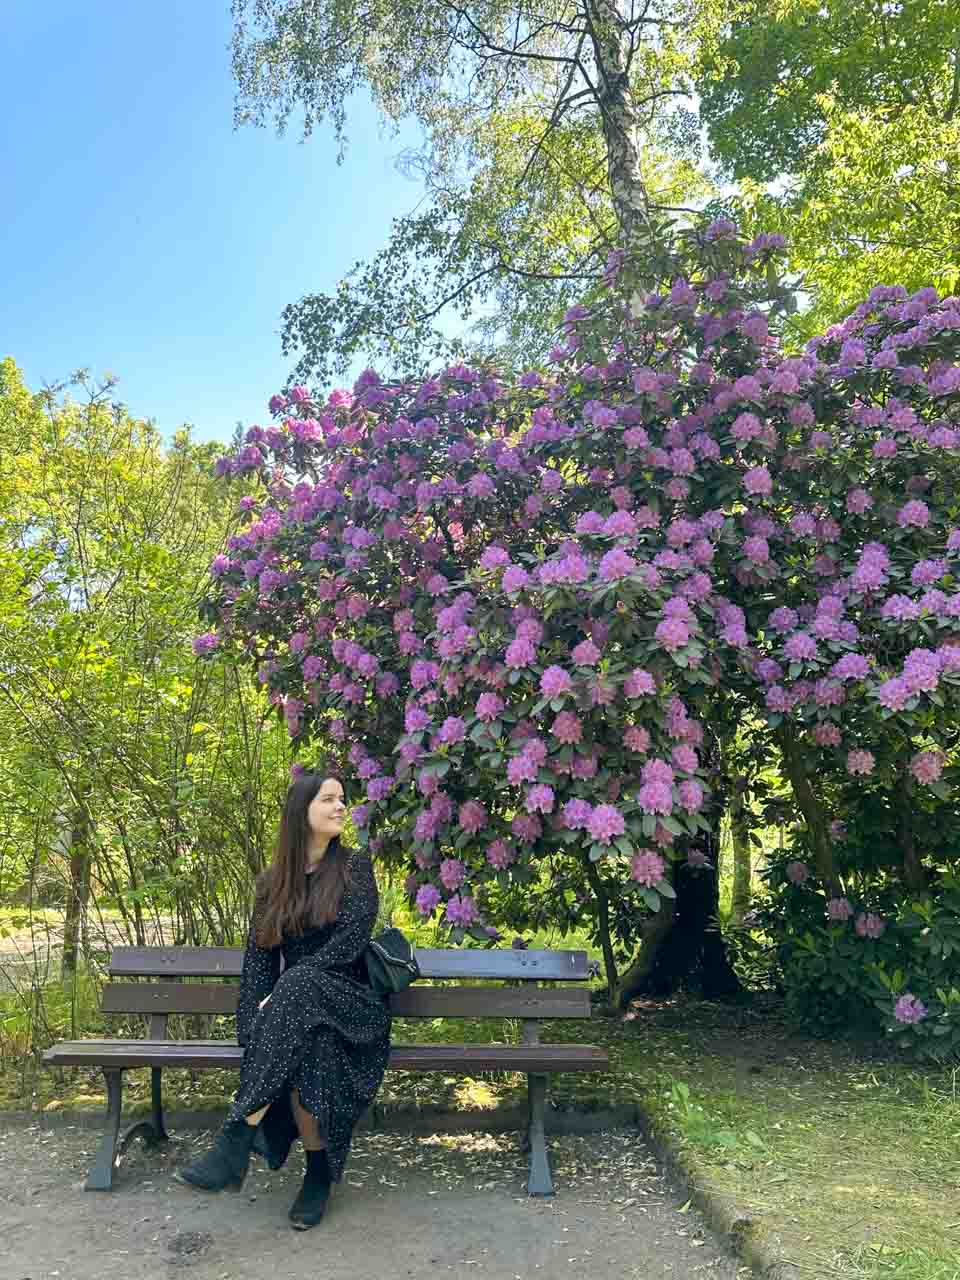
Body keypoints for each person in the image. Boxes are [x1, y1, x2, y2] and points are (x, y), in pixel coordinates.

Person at [177, 770, 391, 1229]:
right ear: (301, 813)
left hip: (351, 1002)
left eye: (342, 799)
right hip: (300, 1016)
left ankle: (236, 1139)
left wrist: (283, 992)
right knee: (309, 1046)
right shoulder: (272, 882)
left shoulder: (355, 869)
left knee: (296, 984)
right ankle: (317, 1174)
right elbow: (257, 965)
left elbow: (349, 945)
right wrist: (254, 1032)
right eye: (328, 800)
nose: (340, 808)